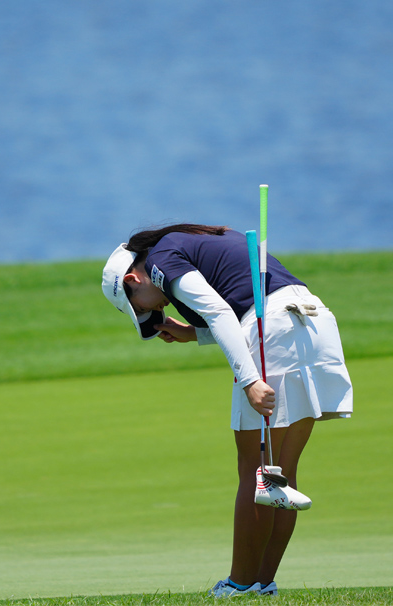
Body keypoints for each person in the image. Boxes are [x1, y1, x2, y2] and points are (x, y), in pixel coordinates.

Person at [102, 224, 353, 598]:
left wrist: (250, 380)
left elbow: (219, 310)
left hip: (275, 332)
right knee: (278, 473)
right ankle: (262, 584)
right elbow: (244, 300)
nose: (157, 308)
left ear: (132, 278)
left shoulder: (159, 260)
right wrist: (194, 334)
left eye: (140, 304)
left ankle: (237, 585)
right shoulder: (196, 240)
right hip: (314, 323)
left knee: (256, 473)